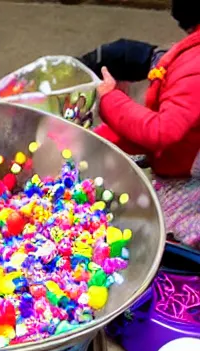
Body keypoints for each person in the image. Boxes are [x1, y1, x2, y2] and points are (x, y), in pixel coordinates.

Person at [84, 0, 200, 249]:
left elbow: (160, 131)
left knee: (144, 233)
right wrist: (98, 140)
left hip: (188, 178)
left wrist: (110, 99)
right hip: (183, 154)